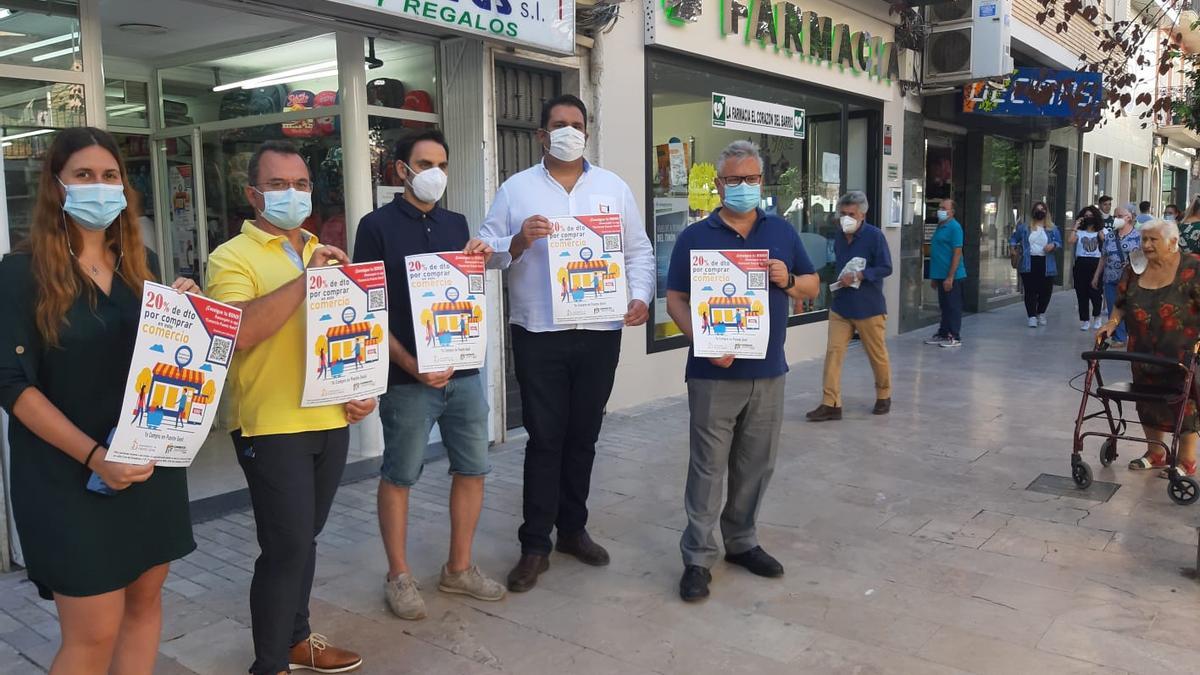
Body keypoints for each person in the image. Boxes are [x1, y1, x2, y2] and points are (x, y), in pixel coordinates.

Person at [0, 127, 198, 675]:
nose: (100, 187)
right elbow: (13, 386)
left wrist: (187, 318)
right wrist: (94, 458)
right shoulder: (19, 276)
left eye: (110, 176)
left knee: (144, 605)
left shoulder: (142, 266)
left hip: (147, 466)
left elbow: (165, 362)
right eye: (83, 175)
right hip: (68, 475)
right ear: (56, 186)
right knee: (91, 634)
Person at [206, 140, 376, 675]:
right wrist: (309, 281)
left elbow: (344, 330)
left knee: (305, 540)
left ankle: (297, 640)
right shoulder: (229, 257)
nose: (292, 194)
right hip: (271, 425)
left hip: (331, 418)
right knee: (285, 548)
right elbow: (239, 331)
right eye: (278, 185)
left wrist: (359, 384)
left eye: (301, 184)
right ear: (253, 193)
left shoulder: (320, 248)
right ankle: (269, 663)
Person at [479, 94, 655, 592]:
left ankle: (573, 529)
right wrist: (515, 243)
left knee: (584, 436)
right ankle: (535, 543)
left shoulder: (613, 188)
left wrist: (639, 296)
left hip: (600, 332)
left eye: (576, 124)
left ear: (587, 131)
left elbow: (638, 250)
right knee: (544, 439)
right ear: (541, 135)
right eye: (559, 125)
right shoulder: (515, 191)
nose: (569, 132)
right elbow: (483, 253)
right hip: (539, 332)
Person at [352, 129, 506, 621]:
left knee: (473, 469)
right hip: (408, 380)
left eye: (442, 163)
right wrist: (409, 364)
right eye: (424, 163)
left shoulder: (457, 222)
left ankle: (458, 568)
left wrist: (478, 263)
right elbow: (366, 306)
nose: (435, 173)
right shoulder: (374, 226)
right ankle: (398, 575)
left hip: (463, 373)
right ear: (401, 170)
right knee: (400, 475)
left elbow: (462, 295)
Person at [665, 140, 819, 602]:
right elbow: (675, 299)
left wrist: (787, 280)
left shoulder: (783, 232)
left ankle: (742, 542)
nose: (745, 187)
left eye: (752, 179)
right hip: (713, 375)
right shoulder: (695, 237)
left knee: (756, 465)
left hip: (769, 370)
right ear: (718, 184)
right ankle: (697, 557)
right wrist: (704, 341)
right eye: (735, 180)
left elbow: (811, 283)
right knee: (708, 469)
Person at [1100, 219, 1200, 478]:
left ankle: (1187, 460)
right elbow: (1121, 302)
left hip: (1182, 352)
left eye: (1153, 240)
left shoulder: (1193, 267)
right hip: (1142, 349)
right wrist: (1111, 323)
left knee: (1184, 404)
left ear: (1173, 242)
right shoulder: (1135, 267)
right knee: (1146, 401)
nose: (1146, 245)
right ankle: (1156, 453)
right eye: (1144, 239)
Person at [806, 190, 893, 422]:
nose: (846, 218)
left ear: (862, 215)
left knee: (877, 355)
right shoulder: (838, 236)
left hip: (869, 307)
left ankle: (884, 395)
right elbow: (836, 266)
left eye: (851, 214)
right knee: (833, 354)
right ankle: (830, 403)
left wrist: (861, 275)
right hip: (841, 306)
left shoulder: (875, 237)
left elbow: (886, 267)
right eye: (842, 213)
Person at [1092, 205, 1140, 346]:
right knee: (1114, 307)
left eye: (1119, 216)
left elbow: (1143, 258)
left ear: (1129, 217)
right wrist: (1096, 276)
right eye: (1115, 216)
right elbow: (1103, 257)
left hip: (1131, 280)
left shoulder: (1138, 236)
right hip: (1110, 278)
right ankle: (1119, 337)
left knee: (1130, 308)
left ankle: (1131, 335)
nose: (1116, 218)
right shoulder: (1110, 236)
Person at [1010, 201, 1061, 328]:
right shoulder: (1024, 228)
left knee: (1046, 290)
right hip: (1029, 262)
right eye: (1037, 210)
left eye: (1042, 210)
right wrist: (1012, 248)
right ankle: (1032, 316)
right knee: (1030, 290)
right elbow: (1014, 238)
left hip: (1046, 263)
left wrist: (1053, 245)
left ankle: (1041, 312)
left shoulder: (1052, 228)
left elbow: (1059, 242)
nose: (1040, 212)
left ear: (1046, 212)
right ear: (1033, 212)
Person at [925, 199, 966, 348]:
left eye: (944, 208)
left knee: (953, 306)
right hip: (940, 274)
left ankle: (954, 336)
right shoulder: (940, 226)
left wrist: (950, 277)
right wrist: (935, 277)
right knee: (944, 306)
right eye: (940, 207)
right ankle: (943, 333)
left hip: (953, 275)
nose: (940, 210)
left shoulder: (955, 228)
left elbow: (957, 252)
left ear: (952, 212)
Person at [1069, 206, 1105, 331]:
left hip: (1096, 263)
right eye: (1086, 216)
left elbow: (1106, 243)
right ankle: (1085, 320)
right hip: (1081, 263)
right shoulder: (1079, 232)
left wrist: (1100, 232)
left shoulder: (1101, 231)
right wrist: (1076, 226)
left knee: (1096, 293)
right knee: (1081, 293)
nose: (1089, 218)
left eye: (1091, 216)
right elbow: (1071, 240)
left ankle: (1097, 316)